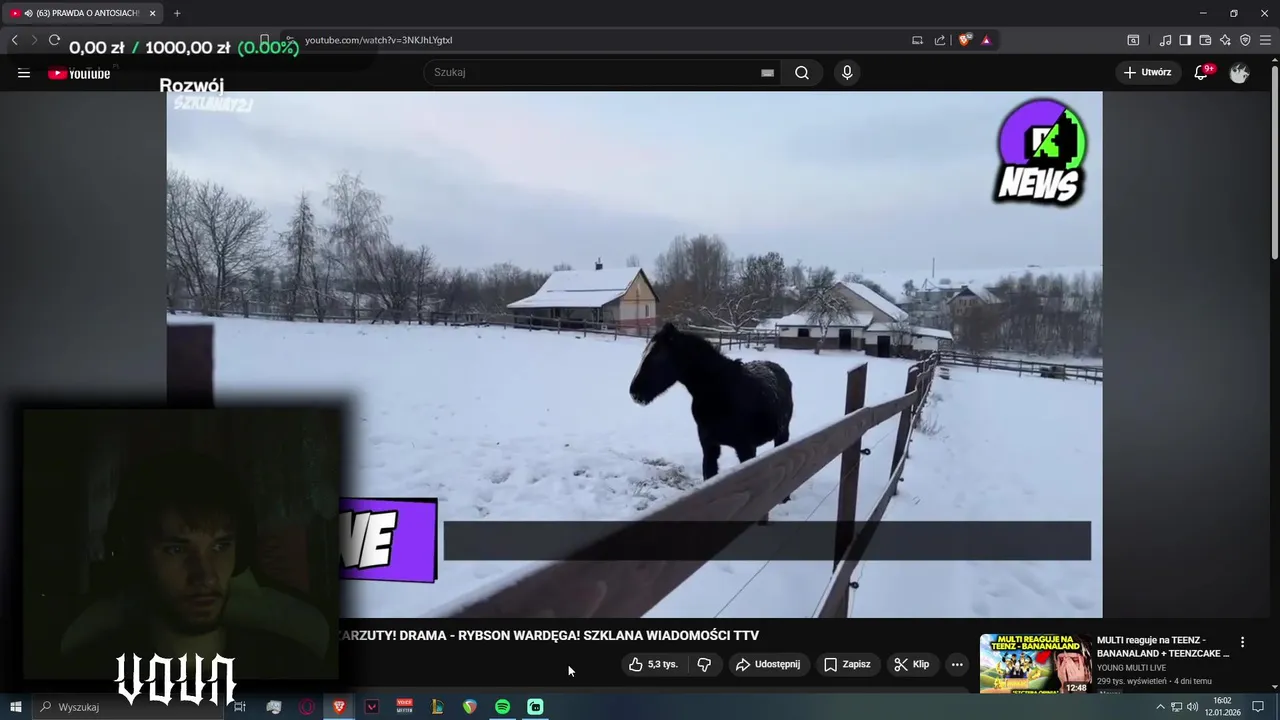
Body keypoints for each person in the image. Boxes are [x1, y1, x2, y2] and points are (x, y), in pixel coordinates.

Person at [64, 450, 324, 679]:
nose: (206, 576)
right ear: (134, 554)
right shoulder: (89, 674)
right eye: (176, 549)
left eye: (220, 546)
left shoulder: (292, 668)